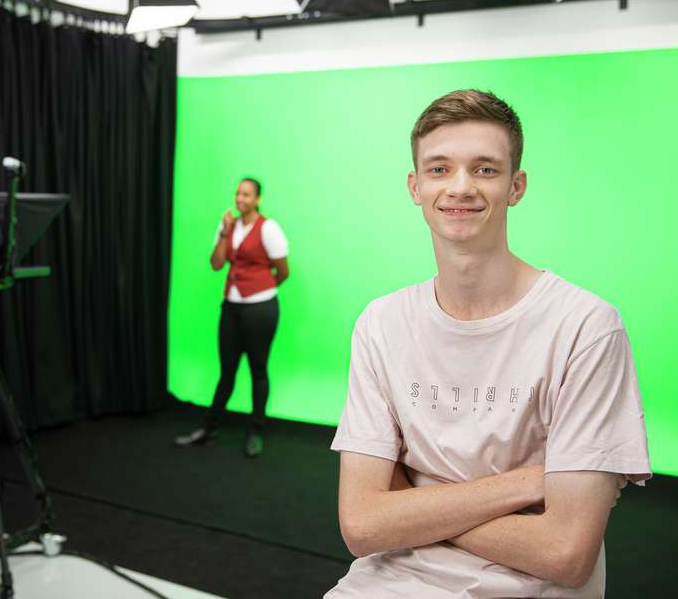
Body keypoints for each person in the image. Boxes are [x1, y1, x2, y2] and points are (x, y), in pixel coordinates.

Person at [326, 90, 651, 598]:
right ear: (414, 186)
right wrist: (525, 483)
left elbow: (564, 553)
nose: (460, 187)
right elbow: (362, 527)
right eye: (439, 169)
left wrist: (415, 502)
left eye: (484, 169)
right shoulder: (380, 323)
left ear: (516, 186)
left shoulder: (585, 326)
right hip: (384, 581)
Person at [175, 177, 289, 458]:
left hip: (260, 309)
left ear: (257, 199)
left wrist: (260, 289)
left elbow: (283, 271)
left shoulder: (269, 228)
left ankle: (256, 431)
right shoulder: (228, 226)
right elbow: (216, 264)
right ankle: (208, 427)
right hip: (231, 307)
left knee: (257, 370)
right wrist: (225, 233)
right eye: (238, 193)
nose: (241, 199)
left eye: (247, 195)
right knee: (226, 371)